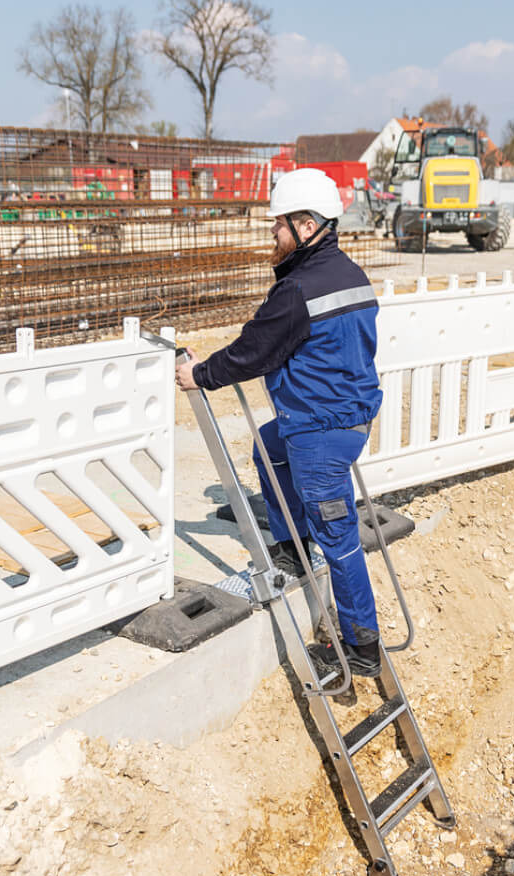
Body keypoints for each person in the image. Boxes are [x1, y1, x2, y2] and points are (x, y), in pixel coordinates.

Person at [175, 168, 384, 679]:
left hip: (320, 432)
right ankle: (290, 546)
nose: (273, 234)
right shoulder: (349, 274)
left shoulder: (298, 290)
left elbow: (254, 350)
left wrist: (198, 374)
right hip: (345, 416)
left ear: (307, 225)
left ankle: (361, 648)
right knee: (267, 448)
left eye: (279, 226)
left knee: (339, 539)